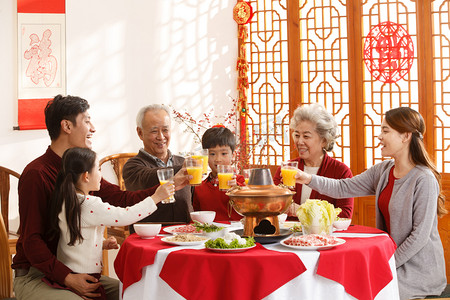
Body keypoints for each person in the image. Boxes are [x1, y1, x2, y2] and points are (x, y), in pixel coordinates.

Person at [12, 95, 190, 300]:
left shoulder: (83, 171)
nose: (93, 128)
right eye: (87, 121)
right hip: (38, 275)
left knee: (139, 294)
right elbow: (31, 241)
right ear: (67, 126)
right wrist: (67, 277)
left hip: (76, 273)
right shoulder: (37, 173)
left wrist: (171, 186)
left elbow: (121, 200)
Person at [294, 107, 447, 300]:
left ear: (405, 136)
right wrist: (307, 178)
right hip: (392, 262)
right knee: (344, 285)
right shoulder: (384, 170)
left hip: (417, 272)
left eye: (385, 131)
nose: (379, 136)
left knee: (360, 289)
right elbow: (344, 187)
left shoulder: (424, 179)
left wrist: (386, 263)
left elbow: (419, 237)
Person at [46, 147, 173, 299]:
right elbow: (125, 216)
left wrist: (101, 243)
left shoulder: (66, 199)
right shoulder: (89, 204)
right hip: (85, 277)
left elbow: (74, 237)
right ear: (86, 176)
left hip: (70, 271)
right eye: (99, 169)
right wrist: (156, 198)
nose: (101, 175)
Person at [273, 103, 354, 218]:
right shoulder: (286, 169)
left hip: (324, 235)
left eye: (306, 136)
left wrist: (302, 211)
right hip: (289, 234)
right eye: (296, 135)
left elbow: (344, 214)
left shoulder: (341, 171)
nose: (299, 141)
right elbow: (272, 205)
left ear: (324, 141)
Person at [123, 105, 193, 225]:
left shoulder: (182, 162)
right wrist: (184, 169)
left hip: (186, 236)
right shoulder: (132, 166)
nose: (161, 137)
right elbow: (148, 178)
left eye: (165, 130)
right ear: (140, 133)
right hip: (150, 238)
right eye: (154, 131)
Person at [192, 125, 244, 221]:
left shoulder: (242, 183)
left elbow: (254, 209)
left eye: (224, 154)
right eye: (212, 154)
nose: (217, 159)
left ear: (233, 155)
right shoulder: (199, 188)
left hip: (236, 234)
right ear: (205, 156)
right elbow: (196, 219)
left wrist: (238, 190)